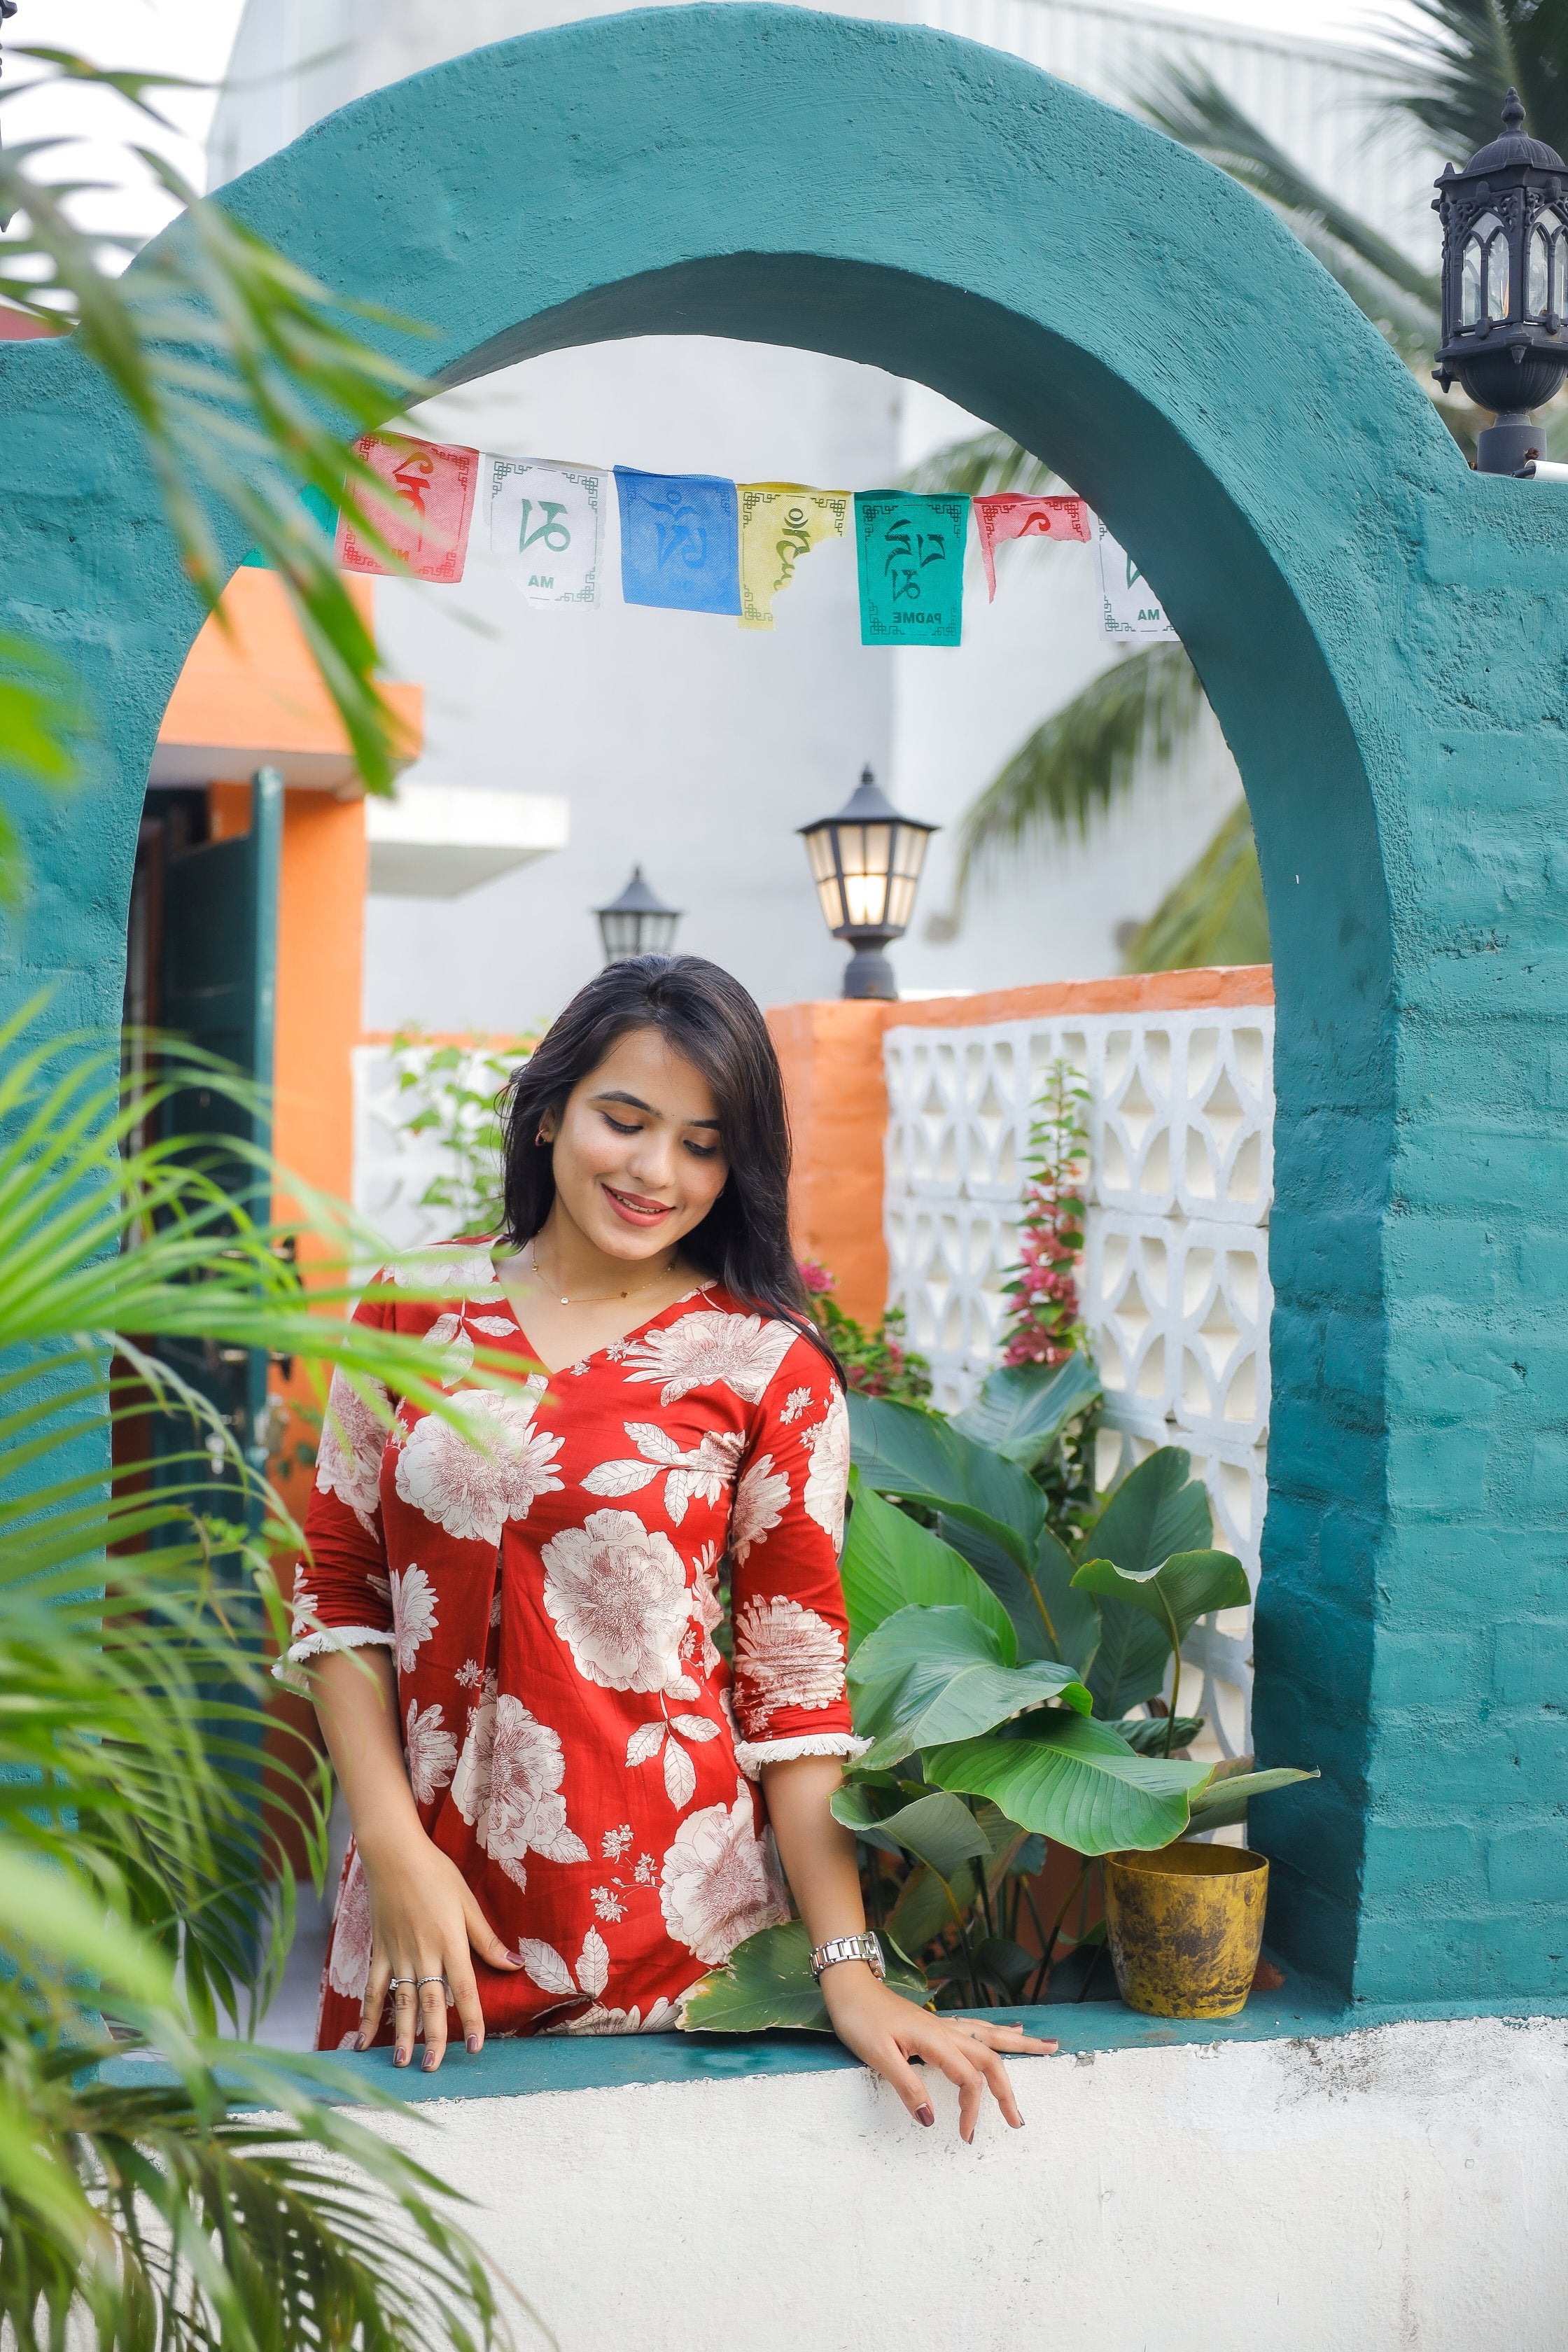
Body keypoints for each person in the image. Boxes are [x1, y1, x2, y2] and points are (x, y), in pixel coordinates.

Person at [287, 953, 1052, 2138]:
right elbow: (340, 1593)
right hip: (422, 1920)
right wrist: (389, 1845)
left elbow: (793, 1685)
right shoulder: (407, 1310)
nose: (656, 1172)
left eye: (703, 1143)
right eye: (625, 1120)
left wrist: (846, 1963)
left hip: (668, 1933)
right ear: (550, 1112)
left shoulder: (768, 1367)